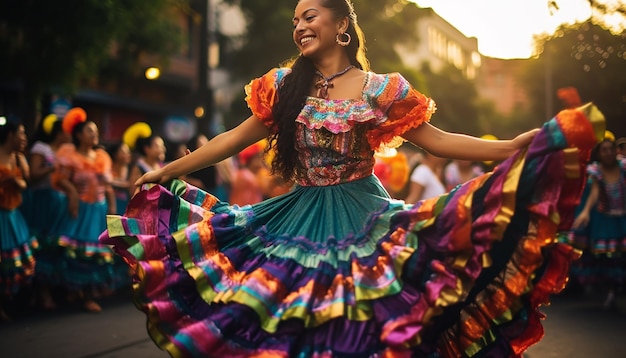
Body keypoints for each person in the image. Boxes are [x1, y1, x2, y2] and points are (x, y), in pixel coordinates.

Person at [100, 0, 603, 356]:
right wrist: (167, 170)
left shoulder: (380, 90)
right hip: (297, 216)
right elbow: (232, 139)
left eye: (309, 15)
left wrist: (511, 146)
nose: (299, 25)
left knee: (365, 321)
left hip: (365, 216)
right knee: (298, 320)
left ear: (341, 24)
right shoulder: (282, 85)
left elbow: (442, 141)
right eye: (295, 19)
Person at [52, 108, 117, 312]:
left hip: (98, 209)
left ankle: (87, 293)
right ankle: (75, 291)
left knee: (94, 251)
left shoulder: (102, 156)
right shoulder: (68, 155)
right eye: (89, 130)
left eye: (95, 131)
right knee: (76, 251)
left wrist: (112, 208)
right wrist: (72, 193)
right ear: (78, 135)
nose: (94, 134)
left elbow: (107, 186)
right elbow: (60, 179)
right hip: (78, 209)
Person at [21, 114, 70, 310]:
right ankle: (41, 291)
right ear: (58, 132)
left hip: (60, 202)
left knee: (58, 245)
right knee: (43, 244)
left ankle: (50, 290)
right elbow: (33, 175)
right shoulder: (41, 148)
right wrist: (52, 168)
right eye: (66, 131)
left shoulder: (67, 151)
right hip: (43, 200)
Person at [571, 138, 626, 309]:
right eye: (605, 150)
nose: (609, 153)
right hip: (605, 222)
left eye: (611, 149)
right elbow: (594, 192)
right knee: (609, 258)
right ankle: (612, 291)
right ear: (599, 153)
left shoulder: (624, 167)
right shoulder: (596, 171)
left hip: (623, 220)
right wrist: (586, 211)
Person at [0, 117, 37, 320]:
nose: (24, 138)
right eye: (21, 133)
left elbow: (26, 183)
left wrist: (15, 180)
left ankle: (12, 301)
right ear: (10, 135)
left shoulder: (19, 159)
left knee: (16, 262)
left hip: (13, 216)